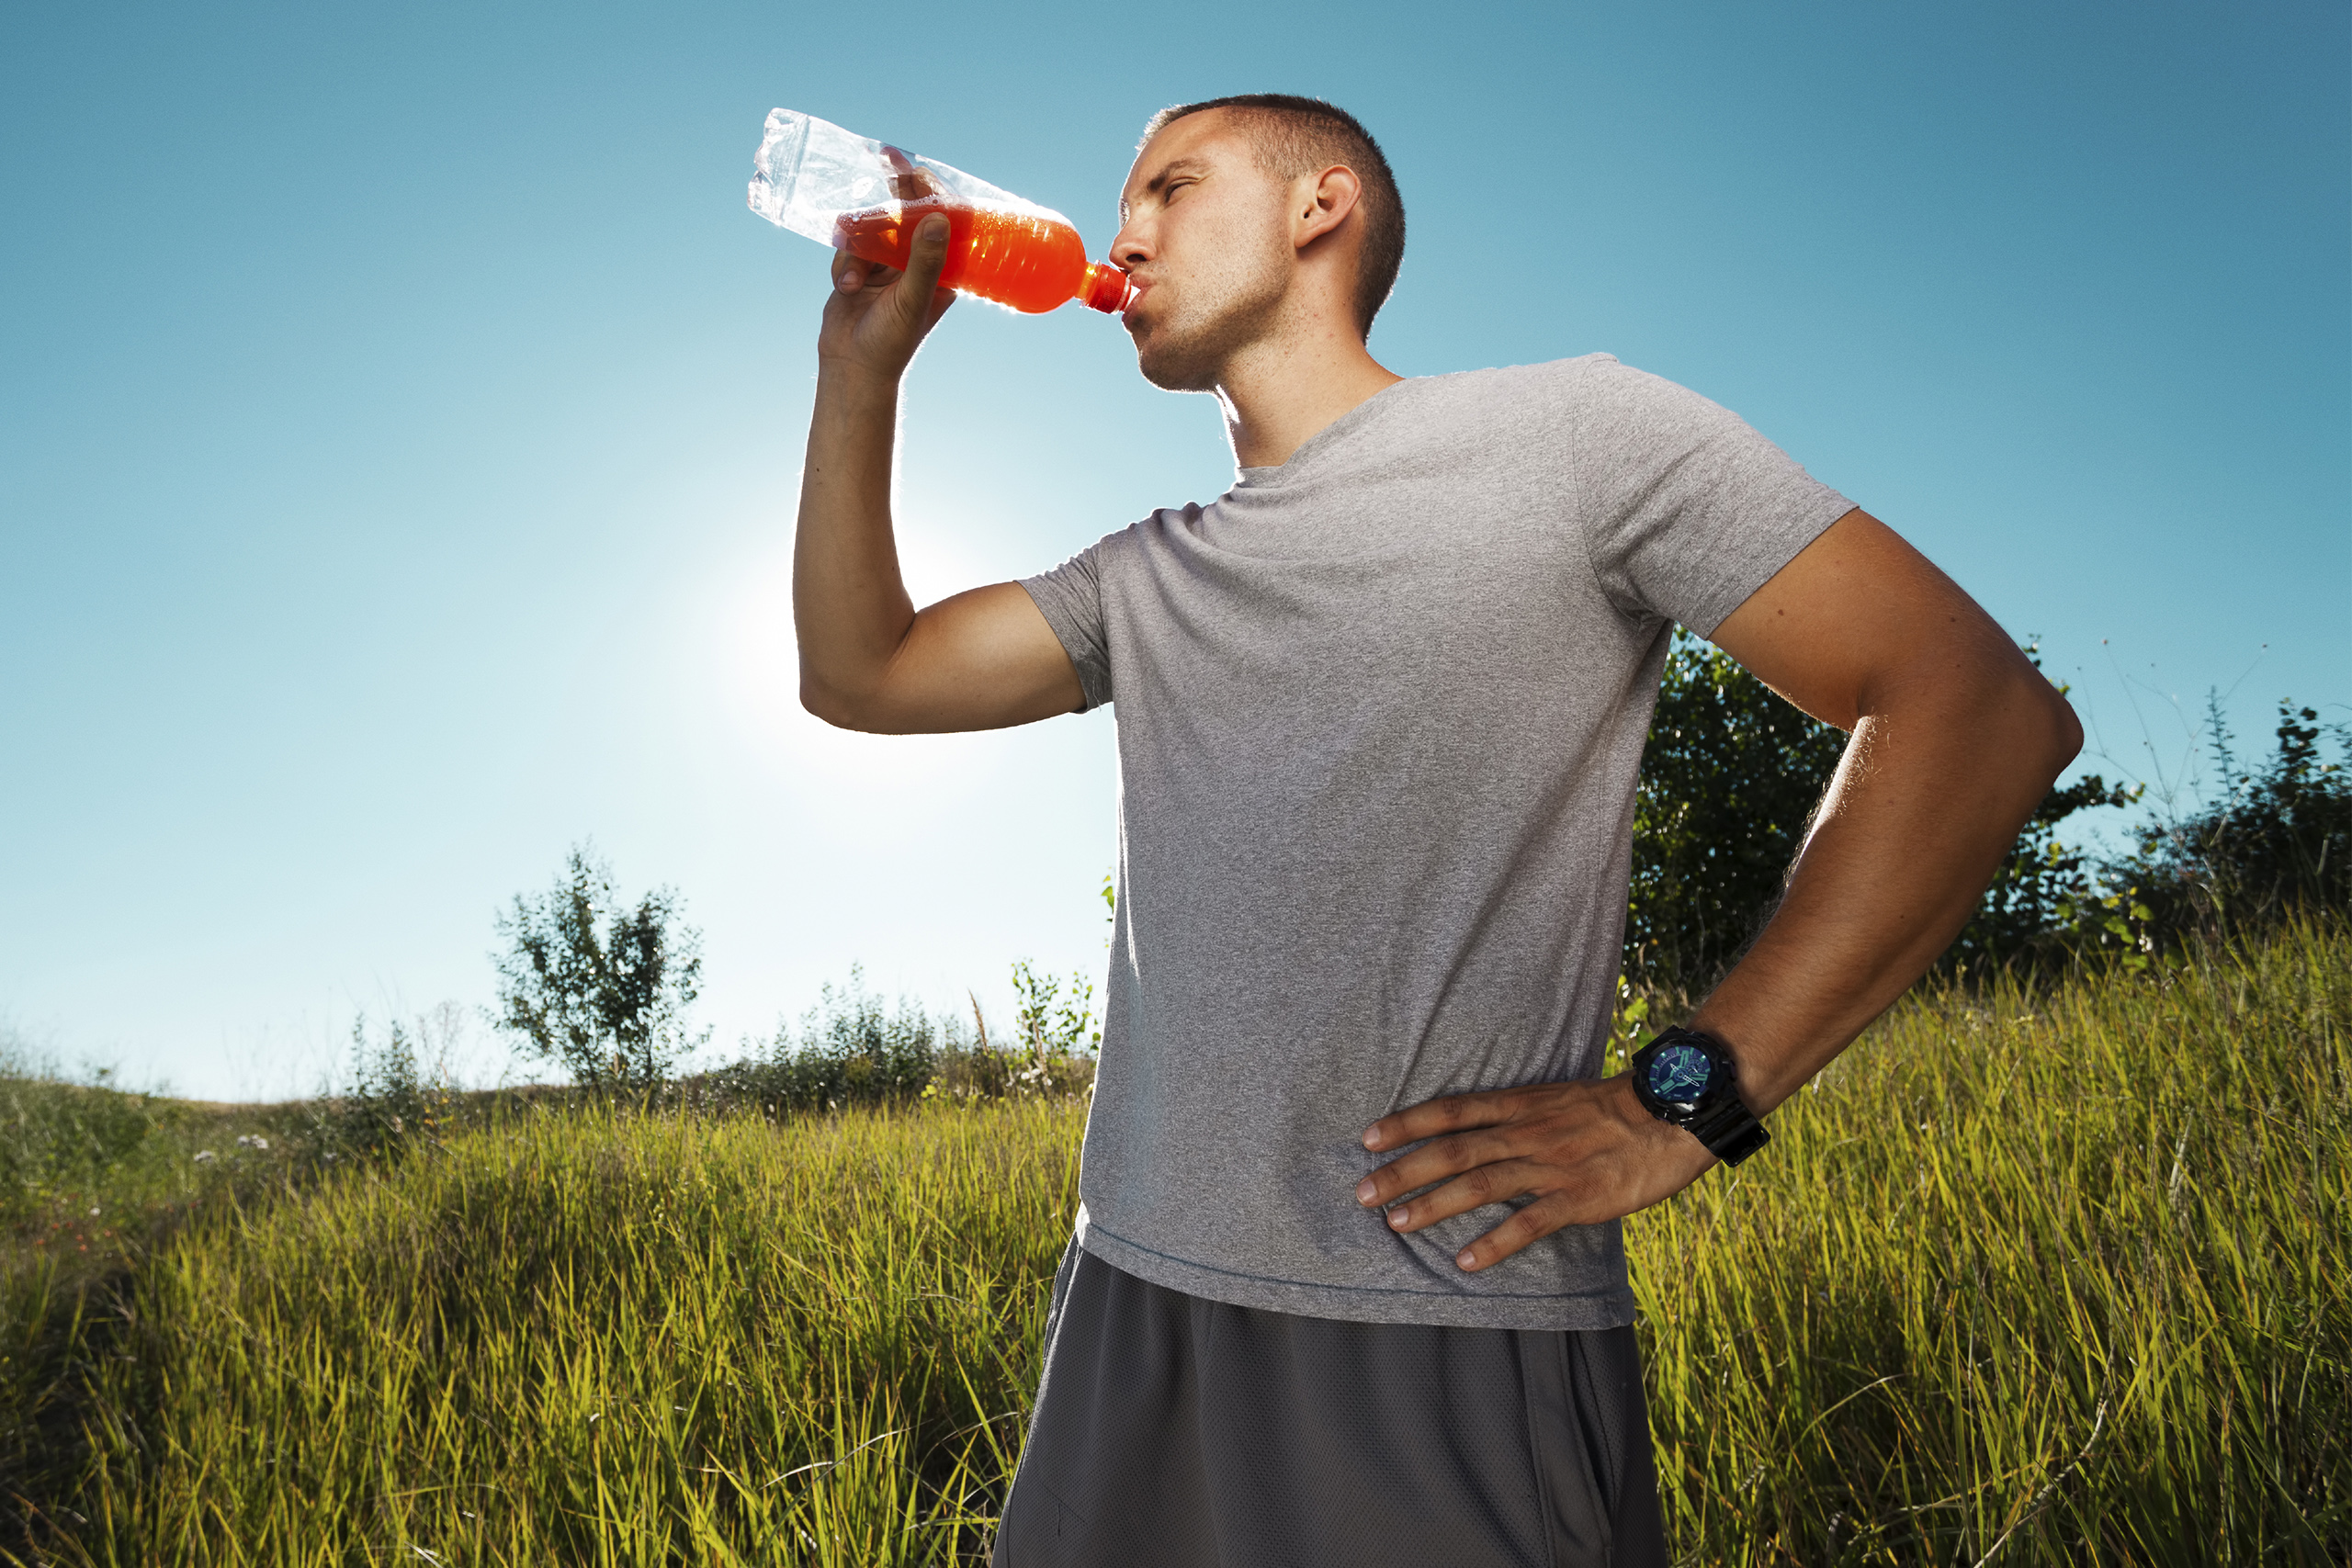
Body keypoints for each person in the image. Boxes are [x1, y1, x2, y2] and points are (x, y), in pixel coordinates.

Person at [791, 93, 2081, 1568]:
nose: (1124, 235)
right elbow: (862, 674)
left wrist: (1689, 1095)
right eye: (1121, 202)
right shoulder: (1144, 576)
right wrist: (858, 372)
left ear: (1318, 207)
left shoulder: (1576, 439)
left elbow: (1978, 706)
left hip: (1435, 1329)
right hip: (1131, 1309)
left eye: (1171, 188)